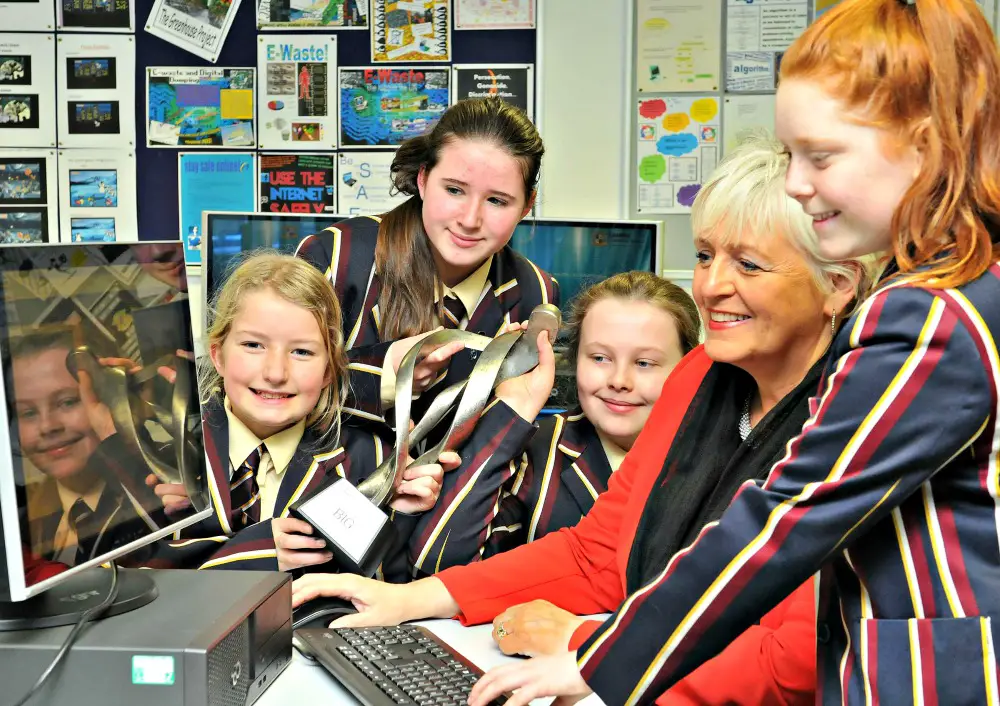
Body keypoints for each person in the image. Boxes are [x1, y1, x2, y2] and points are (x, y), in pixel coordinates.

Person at [455, 1, 999, 703]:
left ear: (923, 143)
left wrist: (596, 660)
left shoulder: (929, 312)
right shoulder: (972, 287)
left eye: (821, 156)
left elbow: (786, 520)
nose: (798, 184)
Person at [291, 134, 877, 704]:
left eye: (748, 264)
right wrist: (412, 600)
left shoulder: (864, 416)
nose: (711, 286)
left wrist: (586, 648)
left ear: (838, 287)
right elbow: (598, 554)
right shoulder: (700, 374)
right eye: (704, 256)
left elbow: (797, 661)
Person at [143, 252, 541, 581]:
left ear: (330, 369)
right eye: (253, 345)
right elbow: (128, 581)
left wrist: (399, 516)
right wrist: (249, 554)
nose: (276, 372)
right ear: (217, 354)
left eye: (302, 352)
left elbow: (387, 591)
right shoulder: (163, 451)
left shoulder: (371, 457)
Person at [407, 271, 700, 575]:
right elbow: (436, 567)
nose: (618, 381)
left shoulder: (718, 456)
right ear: (574, 360)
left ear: (689, 367)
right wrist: (509, 413)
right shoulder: (533, 450)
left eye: (644, 363)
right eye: (600, 358)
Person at [295, 97, 558, 430]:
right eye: (454, 190)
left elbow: (506, 431)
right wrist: (388, 376)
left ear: (526, 205)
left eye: (496, 200)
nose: (470, 219)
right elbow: (268, 387)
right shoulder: (335, 255)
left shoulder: (538, 294)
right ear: (423, 179)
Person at [12, 331, 170, 568]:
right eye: (28, 413)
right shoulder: (22, 529)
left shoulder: (165, 489)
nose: (47, 426)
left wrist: (121, 436)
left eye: (67, 402)